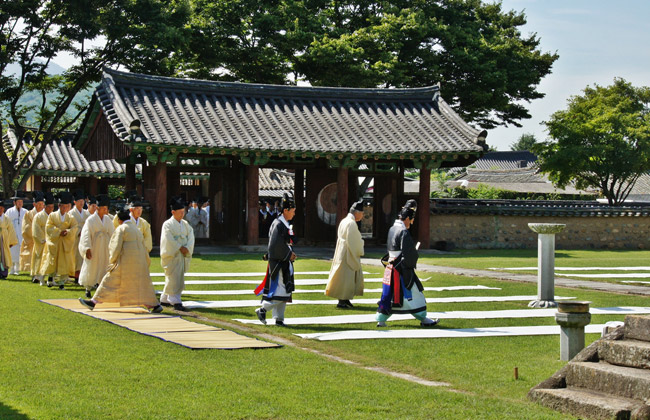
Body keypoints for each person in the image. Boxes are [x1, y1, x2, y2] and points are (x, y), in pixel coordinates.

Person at [79, 207, 162, 313]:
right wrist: (146, 262)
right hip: (139, 262)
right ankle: (154, 305)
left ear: (119, 220)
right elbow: (144, 247)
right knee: (142, 285)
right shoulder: (137, 230)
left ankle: (93, 302)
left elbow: (115, 247)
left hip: (125, 262)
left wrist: (112, 260)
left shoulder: (121, 229)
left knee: (108, 280)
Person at [375, 202, 439, 328]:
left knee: (389, 294)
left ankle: (381, 319)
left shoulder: (392, 229)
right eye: (411, 220)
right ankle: (423, 318)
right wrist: (413, 255)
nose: (411, 223)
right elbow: (409, 254)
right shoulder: (403, 231)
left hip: (391, 267)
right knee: (415, 293)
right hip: (401, 269)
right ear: (408, 219)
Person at [254, 193, 297, 326]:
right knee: (282, 291)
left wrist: (290, 253)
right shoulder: (278, 224)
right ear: (286, 210)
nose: (294, 214)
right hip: (279, 262)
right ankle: (263, 309)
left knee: (284, 290)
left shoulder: (282, 223)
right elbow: (275, 245)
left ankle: (279, 318)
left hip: (283, 261)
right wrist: (288, 254)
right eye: (293, 211)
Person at [325, 199, 365, 308]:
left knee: (345, 277)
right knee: (345, 277)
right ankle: (342, 300)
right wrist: (361, 244)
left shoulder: (344, 221)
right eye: (361, 213)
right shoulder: (351, 223)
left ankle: (345, 299)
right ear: (356, 212)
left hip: (343, 251)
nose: (362, 215)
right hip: (347, 253)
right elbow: (354, 241)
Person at [159, 197, 195, 311]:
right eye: (180, 212)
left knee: (176, 276)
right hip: (173, 254)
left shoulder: (185, 224)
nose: (182, 214)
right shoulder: (167, 224)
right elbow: (168, 239)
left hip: (182, 254)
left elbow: (191, 237)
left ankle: (164, 298)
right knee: (173, 276)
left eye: (183, 212)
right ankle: (175, 300)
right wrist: (179, 247)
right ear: (173, 212)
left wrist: (187, 248)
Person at [78, 195, 115, 298]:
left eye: (107, 208)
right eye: (104, 208)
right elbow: (86, 235)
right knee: (92, 266)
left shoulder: (108, 220)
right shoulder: (90, 220)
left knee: (104, 266)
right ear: (98, 208)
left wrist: (114, 247)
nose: (106, 210)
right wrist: (87, 248)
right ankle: (88, 288)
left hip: (105, 247)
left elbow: (113, 234)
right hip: (94, 246)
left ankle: (102, 287)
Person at [41, 192, 79, 289]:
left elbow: (75, 227)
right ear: (59, 205)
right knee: (52, 260)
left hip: (65, 243)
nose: (65, 209)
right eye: (63, 206)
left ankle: (62, 282)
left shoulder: (70, 217)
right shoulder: (52, 216)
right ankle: (50, 278)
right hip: (55, 242)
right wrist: (58, 232)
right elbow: (48, 227)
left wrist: (68, 231)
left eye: (67, 207)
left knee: (64, 262)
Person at [32, 193, 55, 286]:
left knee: (51, 261)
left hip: (52, 242)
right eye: (49, 207)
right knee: (41, 260)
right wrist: (43, 239)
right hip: (42, 242)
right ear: (45, 206)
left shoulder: (54, 216)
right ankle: (40, 278)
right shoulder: (38, 216)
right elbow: (35, 230)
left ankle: (51, 278)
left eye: (52, 207)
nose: (51, 209)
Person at [21, 191, 44, 278]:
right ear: (34, 204)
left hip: (43, 240)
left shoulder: (45, 214)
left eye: (42, 204)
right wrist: (35, 236)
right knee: (33, 258)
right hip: (33, 240)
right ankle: (34, 275)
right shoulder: (29, 214)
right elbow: (26, 228)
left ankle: (41, 275)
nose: (41, 206)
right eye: (39, 204)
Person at [5, 192, 27, 275]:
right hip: (12, 234)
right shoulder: (9, 211)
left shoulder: (25, 212)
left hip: (21, 235)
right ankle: (12, 269)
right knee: (12, 252)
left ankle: (17, 269)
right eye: (18, 202)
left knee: (19, 252)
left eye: (21, 201)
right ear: (14, 202)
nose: (20, 203)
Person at [0, 196, 19, 279]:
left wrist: (11, 241)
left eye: (1, 208)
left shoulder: (6, 219)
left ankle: (3, 273)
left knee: (4, 257)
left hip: (4, 239)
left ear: (3, 209)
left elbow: (11, 230)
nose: (0, 210)